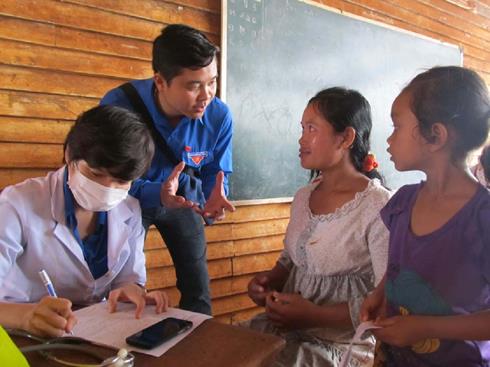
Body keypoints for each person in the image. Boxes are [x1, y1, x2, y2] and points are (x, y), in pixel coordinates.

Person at [0, 105, 190, 337]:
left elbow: (127, 279)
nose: (107, 188)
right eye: (96, 174)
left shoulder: (128, 209)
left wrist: (132, 291)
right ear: (70, 156)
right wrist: (25, 316)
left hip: (91, 333)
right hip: (20, 335)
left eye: (121, 181)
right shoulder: (17, 203)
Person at [246, 87, 391, 366]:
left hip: (340, 345)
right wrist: (269, 282)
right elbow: (291, 259)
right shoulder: (303, 196)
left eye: (312, 128)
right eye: (302, 128)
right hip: (284, 331)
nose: (302, 139)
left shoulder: (378, 206)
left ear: (346, 137)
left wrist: (315, 316)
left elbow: (387, 299)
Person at [100, 24, 235, 315]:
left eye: (212, 81)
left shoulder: (219, 115)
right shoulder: (118, 107)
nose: (207, 95)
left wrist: (216, 194)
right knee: (120, 289)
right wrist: (155, 193)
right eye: (193, 85)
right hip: (128, 201)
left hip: (182, 200)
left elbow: (215, 170)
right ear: (160, 82)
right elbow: (107, 178)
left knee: (198, 290)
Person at [360, 66, 490, 366]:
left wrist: (425, 326)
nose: (389, 140)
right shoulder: (402, 203)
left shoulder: (481, 218)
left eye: (397, 126)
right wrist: (379, 293)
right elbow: (400, 266)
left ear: (435, 135)